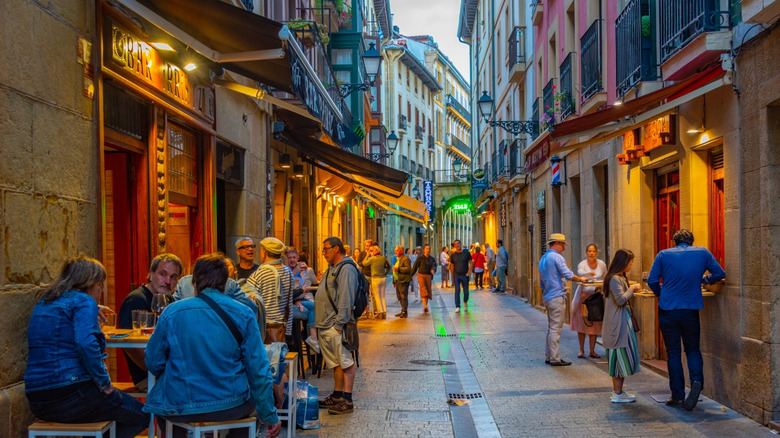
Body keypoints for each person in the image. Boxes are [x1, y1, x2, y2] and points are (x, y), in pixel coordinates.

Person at [144, 254, 281, 438]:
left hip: (180, 404)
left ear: (194, 282)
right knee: (251, 405)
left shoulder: (171, 312)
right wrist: (270, 415)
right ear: (226, 283)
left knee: (165, 414)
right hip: (229, 404)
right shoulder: (244, 313)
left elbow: (153, 362)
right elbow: (258, 370)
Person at [24, 256, 149, 438]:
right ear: (91, 283)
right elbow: (86, 344)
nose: (101, 290)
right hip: (71, 395)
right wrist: (105, 384)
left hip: (37, 400)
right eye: (100, 284)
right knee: (144, 414)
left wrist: (92, 308)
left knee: (106, 414)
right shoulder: (84, 301)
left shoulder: (46, 301)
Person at [648, 229, 725, 410]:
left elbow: (652, 281)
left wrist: (662, 294)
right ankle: (697, 381)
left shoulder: (663, 255)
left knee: (673, 352)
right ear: (691, 241)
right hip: (690, 309)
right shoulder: (702, 252)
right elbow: (720, 274)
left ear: (674, 241)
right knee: (692, 350)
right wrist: (705, 279)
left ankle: (678, 396)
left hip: (667, 309)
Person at [117, 253, 182, 391]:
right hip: (149, 376)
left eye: (173, 277)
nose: (167, 281)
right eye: (162, 274)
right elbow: (130, 345)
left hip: (170, 370)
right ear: (151, 274)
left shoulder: (169, 300)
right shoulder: (136, 300)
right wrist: (158, 370)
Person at [314, 237, 359, 415]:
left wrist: (339, 324)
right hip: (326, 323)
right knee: (336, 363)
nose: (323, 252)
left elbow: (346, 298)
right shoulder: (332, 267)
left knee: (346, 362)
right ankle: (337, 395)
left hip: (336, 324)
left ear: (337, 249)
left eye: (326, 249)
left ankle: (347, 401)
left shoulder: (346, 268)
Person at [602, 249, 642, 403]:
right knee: (619, 357)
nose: (632, 264)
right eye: (630, 261)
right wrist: (631, 289)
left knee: (620, 356)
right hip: (618, 323)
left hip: (620, 321)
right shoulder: (614, 279)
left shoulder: (617, 278)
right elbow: (620, 300)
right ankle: (617, 393)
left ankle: (619, 391)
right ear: (623, 262)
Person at [538, 233, 582, 366]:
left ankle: (549, 356)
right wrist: (580, 279)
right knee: (556, 329)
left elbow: (541, 281)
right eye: (562, 245)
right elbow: (567, 274)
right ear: (556, 243)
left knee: (551, 328)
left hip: (547, 295)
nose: (563, 248)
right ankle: (554, 358)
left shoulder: (543, 258)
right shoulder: (557, 257)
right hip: (556, 296)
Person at [248, 238, 294, 340]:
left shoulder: (260, 273)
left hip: (264, 329)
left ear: (264, 253)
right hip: (282, 327)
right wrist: (288, 329)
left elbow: (246, 299)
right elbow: (289, 303)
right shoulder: (288, 271)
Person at [570, 244, 608, 358]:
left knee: (595, 322)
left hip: (596, 296)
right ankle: (581, 349)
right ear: (586, 252)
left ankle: (592, 350)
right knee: (581, 323)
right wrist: (589, 274)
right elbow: (580, 273)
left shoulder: (601, 264)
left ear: (596, 252)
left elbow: (605, 277)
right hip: (583, 296)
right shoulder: (582, 264)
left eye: (593, 251)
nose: (591, 253)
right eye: (589, 251)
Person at [286, 247, 319, 353]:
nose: (292, 260)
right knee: (311, 309)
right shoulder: (285, 271)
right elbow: (288, 292)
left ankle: (311, 338)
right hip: (289, 305)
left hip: (300, 300)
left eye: (294, 257)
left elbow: (301, 287)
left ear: (298, 258)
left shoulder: (302, 270)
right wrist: (296, 300)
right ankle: (310, 340)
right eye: (289, 257)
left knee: (315, 307)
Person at [362, 245, 391, 319]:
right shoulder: (383, 258)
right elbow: (389, 266)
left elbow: (364, 263)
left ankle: (380, 312)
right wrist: (385, 273)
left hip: (375, 279)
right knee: (382, 296)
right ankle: (384, 311)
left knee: (377, 296)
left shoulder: (372, 259)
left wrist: (367, 255)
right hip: (383, 278)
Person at [411, 244, 437, 313]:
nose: (428, 250)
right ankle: (425, 306)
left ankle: (425, 305)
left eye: (429, 249)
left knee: (428, 290)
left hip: (428, 276)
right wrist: (410, 275)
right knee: (423, 289)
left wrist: (433, 270)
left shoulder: (432, 259)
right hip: (421, 275)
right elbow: (415, 267)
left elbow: (434, 266)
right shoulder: (420, 258)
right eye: (426, 249)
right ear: (424, 250)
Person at [450, 239, 473, 313]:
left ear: (460, 244)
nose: (457, 245)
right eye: (455, 244)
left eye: (458, 244)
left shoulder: (466, 253)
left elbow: (471, 262)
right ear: (454, 246)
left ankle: (465, 302)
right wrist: (452, 276)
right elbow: (452, 265)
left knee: (466, 292)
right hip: (457, 275)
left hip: (465, 275)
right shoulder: (453, 255)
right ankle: (457, 306)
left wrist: (469, 272)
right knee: (457, 290)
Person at [391, 245, 412, 318]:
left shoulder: (405, 259)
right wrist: (394, 281)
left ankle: (404, 311)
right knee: (399, 297)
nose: (395, 252)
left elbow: (408, 269)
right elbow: (395, 270)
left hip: (404, 280)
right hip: (398, 281)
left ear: (401, 251)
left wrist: (398, 269)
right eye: (395, 250)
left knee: (403, 296)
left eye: (397, 250)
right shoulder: (398, 259)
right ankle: (402, 310)